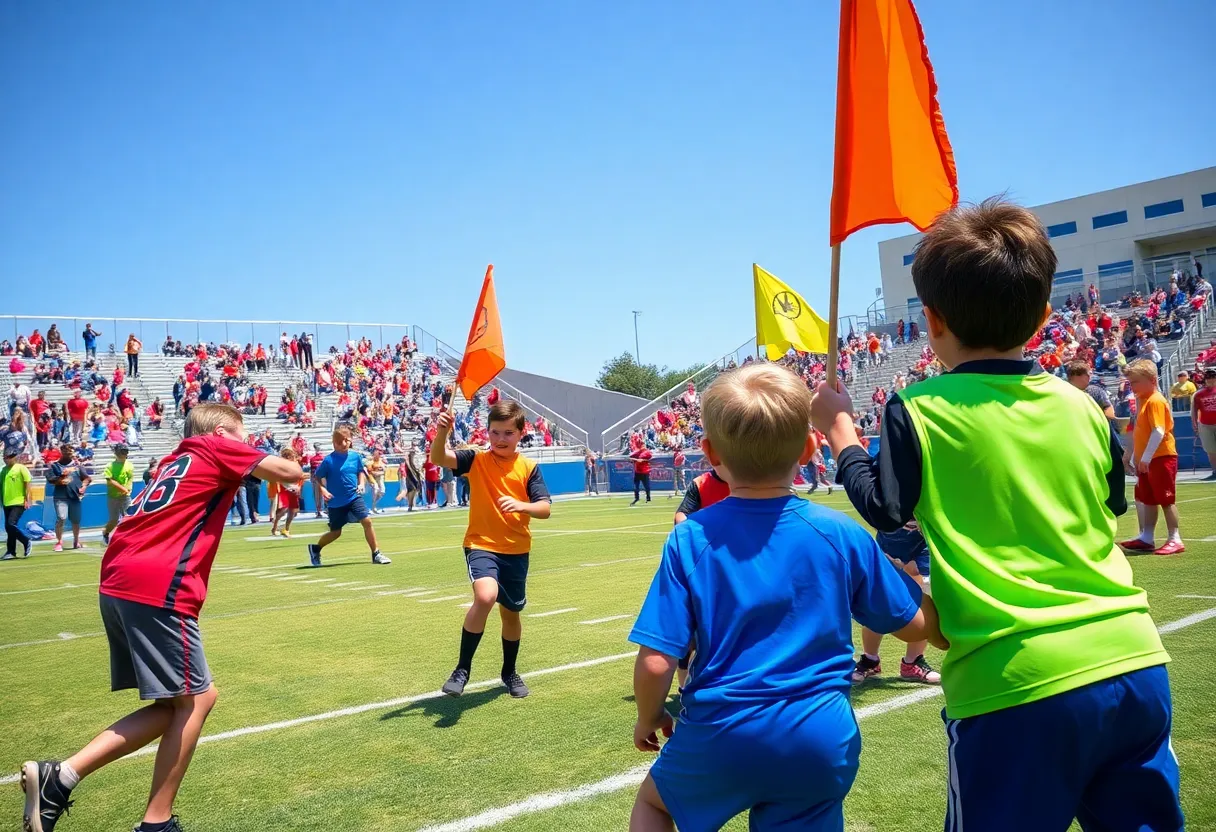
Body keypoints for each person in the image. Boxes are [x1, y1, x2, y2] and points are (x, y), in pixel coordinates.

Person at [812, 198, 1181, 831]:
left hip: (1012, 680)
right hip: (1133, 660)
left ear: (931, 320)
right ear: (1044, 316)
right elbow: (1111, 504)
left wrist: (841, 432)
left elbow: (885, 509)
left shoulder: (916, 408)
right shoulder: (1084, 407)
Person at [628, 363, 940, 832]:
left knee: (655, 805)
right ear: (811, 448)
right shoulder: (841, 533)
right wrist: (907, 577)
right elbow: (917, 624)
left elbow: (657, 662)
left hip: (720, 731)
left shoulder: (690, 539)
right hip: (818, 735)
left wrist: (649, 715)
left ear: (709, 453)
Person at [21, 403, 303, 832]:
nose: (246, 445)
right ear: (223, 433)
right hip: (158, 583)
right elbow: (290, 473)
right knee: (197, 700)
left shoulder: (176, 458)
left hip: (119, 580)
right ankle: (156, 822)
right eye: (242, 436)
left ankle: (60, 778)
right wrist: (285, 453)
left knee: (176, 704)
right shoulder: (217, 446)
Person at [432, 400, 552, 699]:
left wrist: (521, 505)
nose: (500, 438)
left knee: (511, 614)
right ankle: (462, 670)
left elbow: (544, 508)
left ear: (521, 433)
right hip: (481, 544)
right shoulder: (476, 459)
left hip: (516, 549)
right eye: (495, 432)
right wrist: (442, 431)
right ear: (487, 431)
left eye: (508, 433)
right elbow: (438, 457)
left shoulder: (528, 468)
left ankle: (509, 672)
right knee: (485, 596)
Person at [849, 523, 941, 685]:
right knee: (878, 599)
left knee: (923, 597)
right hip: (890, 536)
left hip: (925, 536)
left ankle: (913, 662)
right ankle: (870, 660)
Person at [1119, 360, 1183, 556]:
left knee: (1166, 499)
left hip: (1161, 457)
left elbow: (1158, 431)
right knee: (1148, 499)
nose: (1132, 386)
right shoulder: (1144, 400)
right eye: (1130, 382)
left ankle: (1175, 538)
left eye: (1136, 382)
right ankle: (1147, 537)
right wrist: (1134, 456)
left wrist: (1145, 458)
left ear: (1152, 380)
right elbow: (1139, 432)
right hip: (1148, 459)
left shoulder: (1155, 400)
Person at [306, 425, 391, 566]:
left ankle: (376, 554)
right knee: (336, 532)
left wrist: (361, 484)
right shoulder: (328, 460)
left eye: (347, 440)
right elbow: (317, 477)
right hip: (335, 502)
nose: (345, 444)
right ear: (334, 443)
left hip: (353, 496)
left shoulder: (355, 456)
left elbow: (360, 471)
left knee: (367, 521)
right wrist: (323, 490)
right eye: (341, 442)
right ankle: (315, 549)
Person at [48, 442, 90, 552]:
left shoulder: (77, 466)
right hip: (60, 497)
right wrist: (62, 477)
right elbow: (51, 479)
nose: (69, 454)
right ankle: (59, 542)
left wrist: (83, 487)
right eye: (66, 451)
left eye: (70, 452)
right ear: (62, 452)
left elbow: (87, 478)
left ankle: (76, 541)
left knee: (76, 520)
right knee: (61, 518)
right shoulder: (55, 465)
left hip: (75, 497)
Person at [2, 448, 33, 559]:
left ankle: (26, 540)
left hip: (19, 501)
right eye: (5, 458)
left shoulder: (21, 468)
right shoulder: (4, 470)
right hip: (6, 502)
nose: (6, 460)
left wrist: (27, 499)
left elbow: (27, 484)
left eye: (8, 458)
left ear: (14, 457)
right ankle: (11, 552)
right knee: (8, 527)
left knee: (11, 524)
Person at [102, 444, 135, 546]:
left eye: (125, 452)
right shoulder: (110, 466)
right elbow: (110, 480)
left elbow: (130, 478)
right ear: (116, 453)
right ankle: (106, 533)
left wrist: (128, 488)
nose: (124, 454)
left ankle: (127, 538)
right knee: (114, 520)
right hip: (113, 496)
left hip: (125, 496)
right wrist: (122, 488)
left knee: (128, 517)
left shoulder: (129, 465)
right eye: (122, 452)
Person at [271, 448, 302, 538]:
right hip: (285, 488)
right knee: (283, 509)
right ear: (288, 456)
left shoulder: (295, 464)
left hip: (294, 488)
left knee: (293, 511)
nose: (294, 457)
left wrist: (298, 487)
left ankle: (285, 529)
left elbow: (299, 476)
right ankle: (275, 527)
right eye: (292, 456)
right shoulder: (282, 465)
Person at [1192, 369, 1216, 480]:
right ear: (1205, 379)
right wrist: (1194, 423)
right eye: (1208, 377)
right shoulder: (1198, 394)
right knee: (1211, 450)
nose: (1211, 380)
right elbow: (1194, 410)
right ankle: (1215, 471)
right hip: (1205, 424)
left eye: (1213, 377)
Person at [396, 443, 422, 511]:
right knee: (412, 489)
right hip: (409, 476)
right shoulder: (408, 458)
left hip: (414, 475)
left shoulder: (414, 458)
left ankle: (411, 505)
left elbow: (416, 468)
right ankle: (410, 505)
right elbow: (409, 467)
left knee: (415, 490)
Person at [629, 439, 652, 506]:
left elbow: (646, 459)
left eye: (642, 445)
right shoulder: (637, 452)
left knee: (647, 486)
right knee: (636, 486)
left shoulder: (647, 452)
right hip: (637, 472)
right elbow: (630, 457)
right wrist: (633, 459)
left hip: (645, 472)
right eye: (641, 445)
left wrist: (638, 460)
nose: (642, 446)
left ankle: (648, 498)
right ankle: (636, 498)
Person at [306, 443, 326, 518]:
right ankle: (321, 510)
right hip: (321, 478)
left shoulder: (316, 458)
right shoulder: (323, 458)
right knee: (321, 494)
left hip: (318, 478)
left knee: (318, 494)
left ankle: (320, 510)